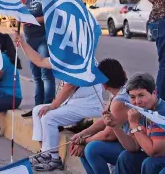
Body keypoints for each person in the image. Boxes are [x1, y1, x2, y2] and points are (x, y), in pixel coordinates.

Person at [15, 31, 104, 172]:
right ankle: (45, 153)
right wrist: (23, 43)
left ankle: (55, 159)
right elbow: (39, 61)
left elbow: (70, 85)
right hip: (72, 104)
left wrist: (53, 105)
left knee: (49, 117)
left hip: (88, 106)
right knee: (38, 110)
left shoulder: (83, 60)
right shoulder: (66, 57)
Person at [112, 73, 165, 174]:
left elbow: (155, 153)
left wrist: (134, 124)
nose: (137, 101)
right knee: (126, 157)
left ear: (154, 93)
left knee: (151, 163)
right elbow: (134, 147)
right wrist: (115, 126)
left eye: (141, 95)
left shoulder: (164, 114)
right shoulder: (142, 110)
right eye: (132, 97)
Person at [71, 59, 130, 174]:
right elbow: (104, 120)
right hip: (121, 142)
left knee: (91, 149)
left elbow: (108, 135)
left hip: (131, 146)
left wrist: (84, 141)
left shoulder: (121, 100)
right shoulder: (116, 94)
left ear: (104, 83)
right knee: (82, 149)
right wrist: (82, 134)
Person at [21, 0, 57, 118]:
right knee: (35, 75)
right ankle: (37, 108)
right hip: (30, 38)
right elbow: (26, 11)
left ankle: (47, 107)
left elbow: (51, 14)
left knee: (46, 74)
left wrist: (34, 20)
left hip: (44, 37)